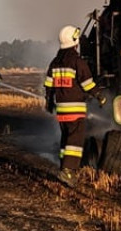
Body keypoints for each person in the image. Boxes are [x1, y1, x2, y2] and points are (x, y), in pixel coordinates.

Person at [44, 25, 107, 186]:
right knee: (75, 141)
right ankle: (68, 171)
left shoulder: (55, 62)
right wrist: (99, 96)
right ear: (74, 41)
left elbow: (48, 85)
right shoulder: (77, 62)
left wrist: (49, 102)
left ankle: (63, 167)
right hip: (75, 110)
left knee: (66, 139)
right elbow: (87, 84)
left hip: (61, 111)